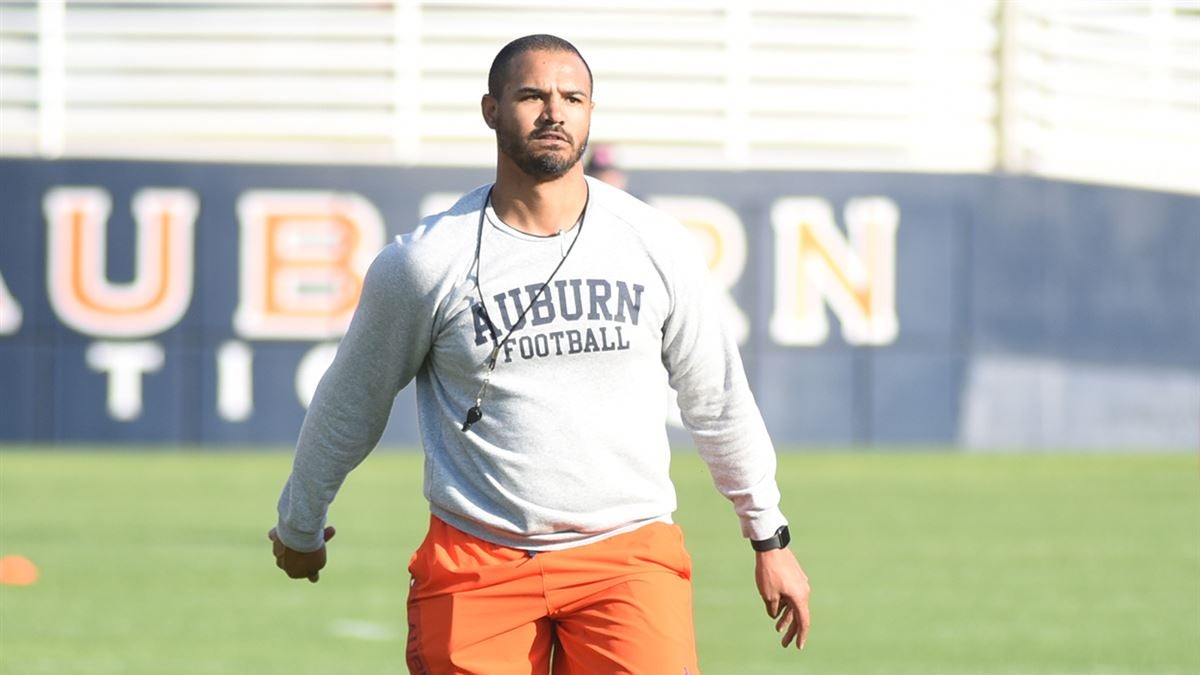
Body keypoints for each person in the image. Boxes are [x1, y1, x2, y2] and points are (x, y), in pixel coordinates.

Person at [268, 34, 811, 674]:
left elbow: (717, 400)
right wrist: (300, 524)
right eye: (532, 95)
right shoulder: (423, 263)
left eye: (572, 97)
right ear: (491, 110)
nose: (555, 111)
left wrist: (769, 535)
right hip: (478, 559)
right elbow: (350, 402)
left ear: (589, 112)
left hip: (628, 557)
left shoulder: (655, 242)